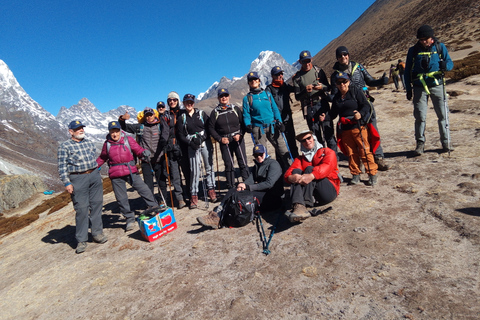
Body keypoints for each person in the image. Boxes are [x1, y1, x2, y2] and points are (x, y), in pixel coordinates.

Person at [330, 46, 390, 171]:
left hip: (365, 104)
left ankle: (378, 157)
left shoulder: (359, 67)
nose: (343, 57)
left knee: (373, 130)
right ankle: (360, 161)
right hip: (349, 109)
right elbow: (335, 94)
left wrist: (380, 81)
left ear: (348, 54)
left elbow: (370, 81)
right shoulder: (335, 75)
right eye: (340, 56)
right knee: (353, 135)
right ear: (337, 58)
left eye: (345, 54)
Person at [197, 144, 284, 229]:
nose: (258, 157)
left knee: (241, 197)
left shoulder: (273, 164)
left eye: (260, 154)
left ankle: (218, 216)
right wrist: (241, 186)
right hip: (262, 193)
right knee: (234, 191)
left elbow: (269, 184)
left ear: (265, 153)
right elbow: (250, 180)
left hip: (273, 197)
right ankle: (217, 213)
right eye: (256, 155)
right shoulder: (257, 166)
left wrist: (247, 187)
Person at [96, 121, 159, 231]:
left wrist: (144, 152)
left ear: (120, 131)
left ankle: (154, 207)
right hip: (115, 174)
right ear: (109, 132)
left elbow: (138, 149)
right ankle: (129, 218)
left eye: (116, 131)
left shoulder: (128, 140)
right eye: (112, 132)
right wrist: (94, 167)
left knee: (143, 189)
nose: (114, 134)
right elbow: (102, 157)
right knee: (121, 198)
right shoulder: (107, 144)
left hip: (130, 170)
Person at [57, 120, 107, 254]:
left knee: (97, 204)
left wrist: (97, 173)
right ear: (71, 131)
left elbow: (94, 159)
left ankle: (97, 234)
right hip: (78, 178)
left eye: (82, 128)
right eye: (77, 129)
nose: (81, 130)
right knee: (82, 209)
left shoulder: (89, 143)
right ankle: (81, 240)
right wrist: (67, 182)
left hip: (94, 176)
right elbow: (62, 166)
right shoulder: (64, 146)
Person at [405, 24, 454, 155]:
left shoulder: (440, 47)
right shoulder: (413, 50)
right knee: (420, 116)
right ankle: (420, 144)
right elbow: (407, 70)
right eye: (421, 39)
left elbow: (450, 63)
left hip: (437, 85)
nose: (423, 42)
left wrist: (446, 66)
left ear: (431, 37)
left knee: (443, 115)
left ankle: (446, 142)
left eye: (425, 39)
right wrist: (408, 88)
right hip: (419, 87)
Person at [330, 72, 378, 186]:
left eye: (344, 81)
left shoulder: (355, 92)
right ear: (336, 84)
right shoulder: (337, 98)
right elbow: (333, 114)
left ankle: (372, 173)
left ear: (348, 82)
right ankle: (355, 174)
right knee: (351, 153)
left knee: (364, 150)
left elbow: (366, 105)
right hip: (345, 129)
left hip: (358, 126)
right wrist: (325, 117)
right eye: (339, 82)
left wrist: (360, 114)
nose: (342, 84)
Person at [284, 130, 340, 223]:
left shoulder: (327, 152)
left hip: (329, 191)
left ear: (314, 138)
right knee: (296, 171)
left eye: (309, 138)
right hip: (314, 194)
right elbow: (289, 172)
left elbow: (327, 166)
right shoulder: (301, 158)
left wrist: (312, 175)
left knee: (310, 169)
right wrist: (290, 178)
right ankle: (299, 206)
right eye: (303, 140)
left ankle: (305, 204)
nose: (307, 141)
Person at [242, 71, 291, 172]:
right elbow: (246, 114)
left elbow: (275, 109)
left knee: (284, 151)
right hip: (258, 129)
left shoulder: (267, 94)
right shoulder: (247, 98)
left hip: (273, 126)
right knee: (261, 155)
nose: (253, 81)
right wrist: (248, 125)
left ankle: (293, 172)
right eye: (251, 80)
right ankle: (266, 178)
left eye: (255, 79)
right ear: (248, 83)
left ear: (259, 81)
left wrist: (279, 122)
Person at [118, 107, 170, 201]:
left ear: (154, 115)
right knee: (148, 185)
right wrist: (122, 119)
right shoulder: (140, 127)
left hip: (159, 159)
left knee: (161, 182)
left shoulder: (160, 125)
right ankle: (151, 203)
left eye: (150, 115)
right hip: (146, 160)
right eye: (147, 115)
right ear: (145, 116)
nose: (149, 117)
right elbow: (124, 127)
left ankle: (163, 200)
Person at [176, 93, 217, 209]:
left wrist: (203, 138)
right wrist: (190, 143)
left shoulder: (201, 114)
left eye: (191, 102)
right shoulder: (181, 118)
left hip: (205, 143)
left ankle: (211, 190)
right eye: (187, 102)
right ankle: (194, 195)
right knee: (195, 170)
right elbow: (180, 134)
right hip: (191, 145)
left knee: (209, 167)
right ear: (184, 104)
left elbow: (209, 127)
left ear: (193, 103)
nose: (189, 104)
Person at [292, 50, 336, 155]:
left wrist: (322, 87)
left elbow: (328, 87)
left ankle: (334, 158)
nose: (307, 64)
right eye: (304, 62)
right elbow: (297, 96)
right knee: (316, 135)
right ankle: (321, 157)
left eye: (308, 61)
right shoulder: (297, 77)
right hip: (309, 107)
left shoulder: (318, 71)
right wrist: (305, 91)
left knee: (328, 131)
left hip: (322, 104)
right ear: (300, 62)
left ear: (311, 59)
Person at [208, 88, 249, 189]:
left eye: (225, 95)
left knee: (243, 162)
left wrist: (240, 134)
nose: (224, 98)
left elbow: (243, 123)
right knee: (228, 164)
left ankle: (247, 184)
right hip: (224, 141)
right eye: (221, 96)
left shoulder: (235, 109)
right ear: (218, 98)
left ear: (229, 96)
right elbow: (211, 128)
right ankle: (231, 187)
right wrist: (219, 139)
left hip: (237, 139)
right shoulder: (215, 112)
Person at [156, 100, 186, 209]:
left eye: (162, 106)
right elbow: (165, 131)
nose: (161, 108)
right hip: (168, 149)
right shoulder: (159, 117)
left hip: (177, 147)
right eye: (159, 107)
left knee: (181, 172)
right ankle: (177, 198)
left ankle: (184, 196)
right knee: (172, 174)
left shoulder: (174, 114)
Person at [266, 66, 299, 159]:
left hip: (288, 117)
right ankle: (282, 166)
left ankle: (296, 161)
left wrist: (296, 79)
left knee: (292, 141)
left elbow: (296, 89)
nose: (280, 76)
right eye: (277, 74)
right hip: (277, 121)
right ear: (272, 76)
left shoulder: (285, 86)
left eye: (281, 73)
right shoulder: (269, 89)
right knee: (280, 144)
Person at [167, 91, 191, 196]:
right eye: (170, 100)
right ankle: (180, 197)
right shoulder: (165, 115)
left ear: (178, 101)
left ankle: (190, 193)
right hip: (171, 147)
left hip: (183, 146)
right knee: (175, 175)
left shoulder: (183, 112)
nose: (172, 102)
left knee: (187, 171)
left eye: (174, 100)